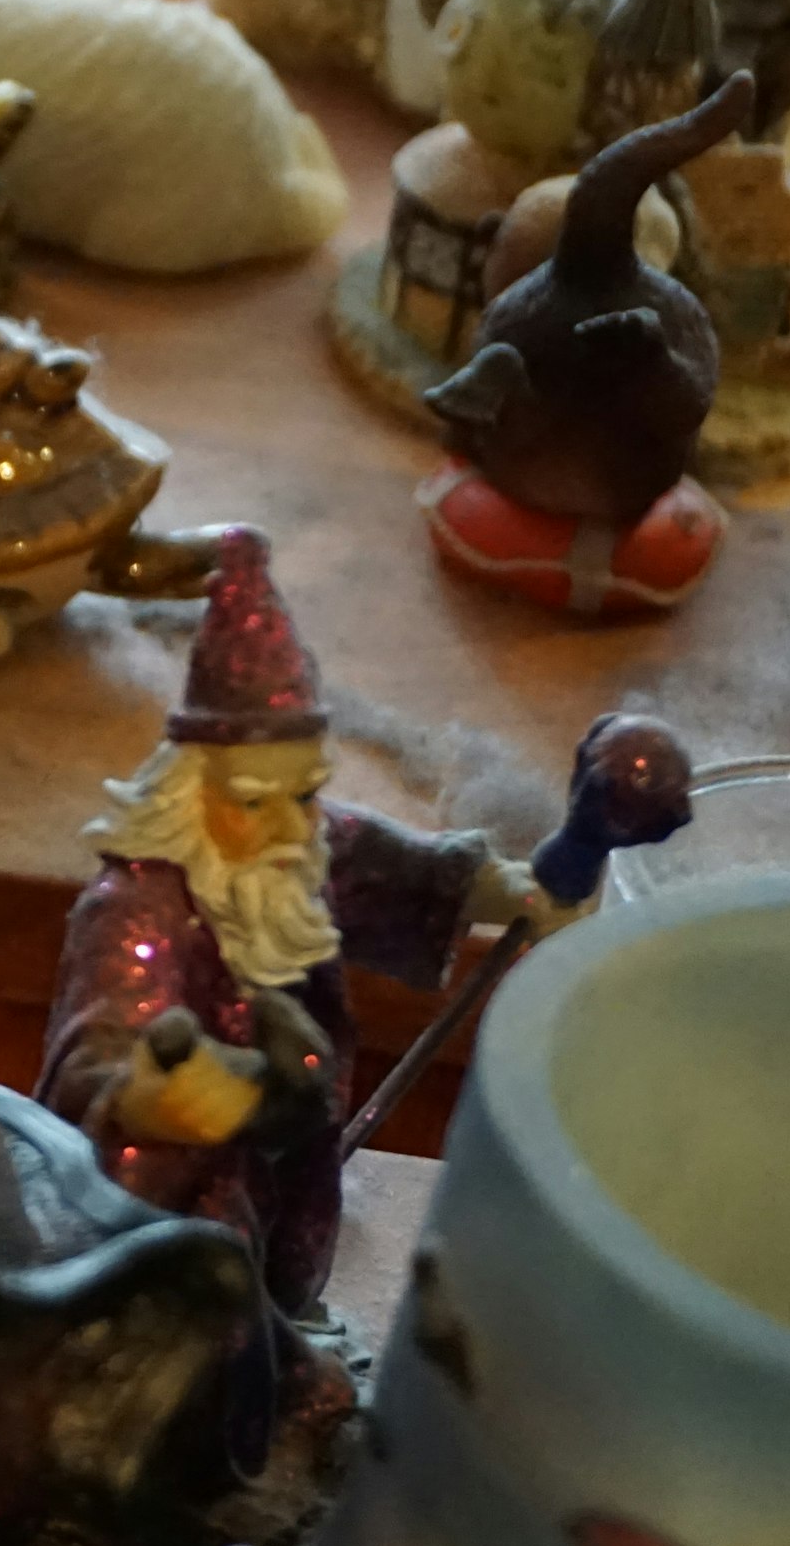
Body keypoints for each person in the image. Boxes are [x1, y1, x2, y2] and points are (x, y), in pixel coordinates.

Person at [37, 528, 570, 1317]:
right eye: (256, 801)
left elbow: (393, 866)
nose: (292, 828)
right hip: (176, 1199)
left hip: (287, 1155)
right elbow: (105, 1038)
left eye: (305, 794)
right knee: (203, 1313)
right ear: (191, 792)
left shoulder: (297, 845)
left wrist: (503, 891)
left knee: (276, 1280)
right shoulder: (135, 907)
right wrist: (147, 1099)